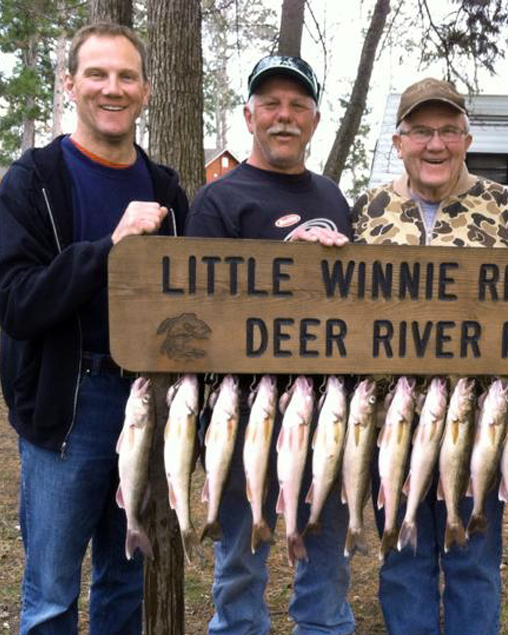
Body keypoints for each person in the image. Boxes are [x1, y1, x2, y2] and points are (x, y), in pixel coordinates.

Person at [0, 22, 188, 635]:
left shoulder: (165, 188)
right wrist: (108, 249)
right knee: (50, 594)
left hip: (145, 402)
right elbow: (17, 303)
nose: (112, 88)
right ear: (70, 84)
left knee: (124, 582)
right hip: (67, 406)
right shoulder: (34, 181)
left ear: (147, 90)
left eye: (127, 76)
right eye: (97, 74)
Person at [351, 77, 508, 635]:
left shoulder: (500, 206)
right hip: (392, 422)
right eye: (422, 131)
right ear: (400, 141)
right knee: (402, 558)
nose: (435, 144)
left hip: (476, 424)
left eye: (448, 131)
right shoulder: (370, 208)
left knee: (474, 560)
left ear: (467, 139)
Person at [185, 55, 354, 635]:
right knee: (238, 569)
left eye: (297, 106)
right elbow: (202, 312)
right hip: (242, 413)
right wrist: (287, 253)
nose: (284, 117)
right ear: (250, 115)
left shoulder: (333, 197)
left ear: (314, 118)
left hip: (323, 410)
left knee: (327, 568)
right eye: (271, 105)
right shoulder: (217, 201)